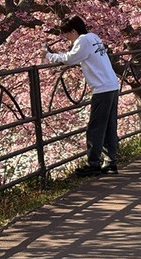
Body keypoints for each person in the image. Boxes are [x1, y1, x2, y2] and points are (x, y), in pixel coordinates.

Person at [44, 16, 120, 177]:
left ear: (73, 30)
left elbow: (70, 59)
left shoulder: (83, 41)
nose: (65, 38)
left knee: (96, 128)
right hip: (111, 84)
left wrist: (49, 55)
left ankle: (93, 164)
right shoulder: (93, 37)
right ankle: (111, 162)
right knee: (109, 126)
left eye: (66, 34)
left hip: (102, 88)